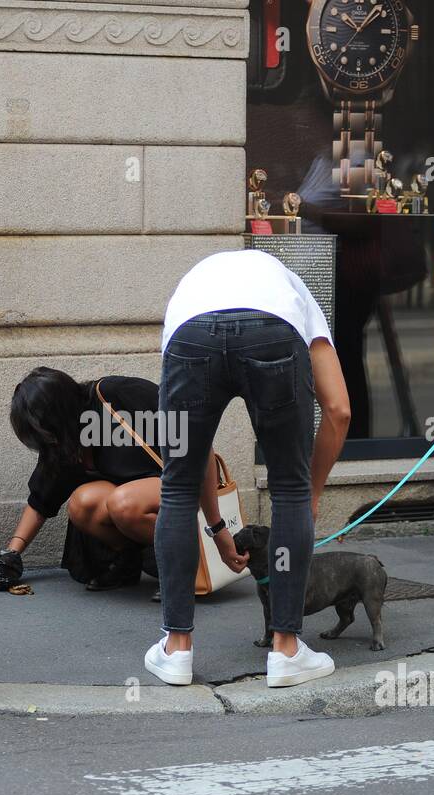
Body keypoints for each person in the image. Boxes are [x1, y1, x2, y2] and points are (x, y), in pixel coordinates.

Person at [146, 250, 351, 689]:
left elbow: (197, 454)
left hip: (190, 335)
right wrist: (310, 493)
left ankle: (177, 649)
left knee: (175, 490)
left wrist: (219, 528)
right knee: (290, 491)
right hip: (272, 333)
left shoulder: (192, 287)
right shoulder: (292, 291)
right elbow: (339, 411)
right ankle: (287, 651)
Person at [0, 368, 168, 595]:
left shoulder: (116, 395)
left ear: (60, 414)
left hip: (181, 486)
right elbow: (41, 500)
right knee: (82, 503)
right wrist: (11, 555)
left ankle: (188, 565)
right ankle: (127, 563)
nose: (49, 440)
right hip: (136, 504)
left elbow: (189, 428)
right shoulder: (64, 443)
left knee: (123, 502)